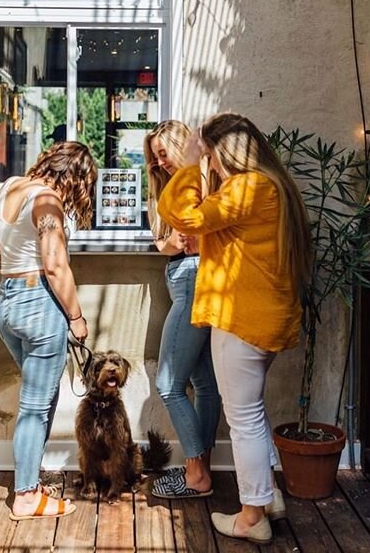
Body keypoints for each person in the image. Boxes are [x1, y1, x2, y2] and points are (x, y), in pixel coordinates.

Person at [157, 113, 312, 544]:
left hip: (241, 317)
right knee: (253, 415)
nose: (207, 164)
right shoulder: (273, 187)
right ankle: (268, 499)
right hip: (263, 316)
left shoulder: (248, 187)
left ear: (223, 153)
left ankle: (251, 518)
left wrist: (188, 164)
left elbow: (179, 214)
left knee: (242, 420)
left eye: (209, 155)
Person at [0, 141, 97, 520]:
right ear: (75, 178)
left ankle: (30, 481)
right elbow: (55, 265)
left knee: (40, 400)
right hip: (39, 305)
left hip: (7, 302)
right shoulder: (47, 201)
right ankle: (25, 495)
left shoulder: (10, 187)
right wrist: (76, 317)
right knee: (35, 408)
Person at [143, 120, 221, 499]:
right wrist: (174, 240)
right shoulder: (164, 191)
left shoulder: (204, 181)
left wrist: (188, 240)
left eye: (164, 154)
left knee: (169, 384)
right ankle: (202, 464)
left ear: (181, 147)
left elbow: (210, 238)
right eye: (155, 158)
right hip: (183, 279)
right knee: (205, 383)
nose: (160, 164)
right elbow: (165, 243)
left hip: (193, 280)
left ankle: (195, 474)